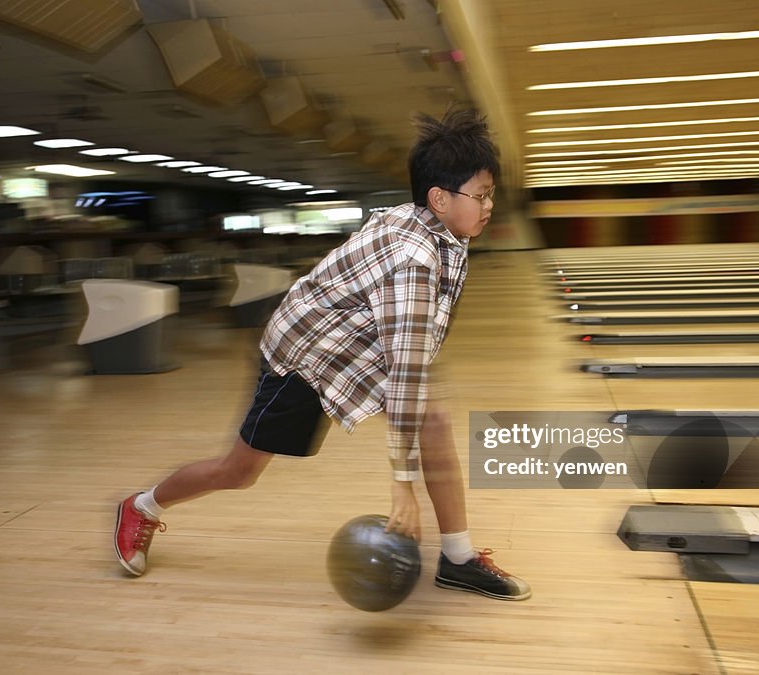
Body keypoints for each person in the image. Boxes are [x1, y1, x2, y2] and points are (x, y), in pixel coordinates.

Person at [115, 107, 531, 602]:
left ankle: (457, 558)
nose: (489, 206)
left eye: (491, 194)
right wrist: (402, 483)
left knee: (434, 421)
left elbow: (410, 346)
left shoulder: (439, 227)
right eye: (481, 195)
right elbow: (406, 372)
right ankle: (141, 506)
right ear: (438, 199)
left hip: (354, 347)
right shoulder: (414, 258)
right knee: (239, 471)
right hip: (304, 358)